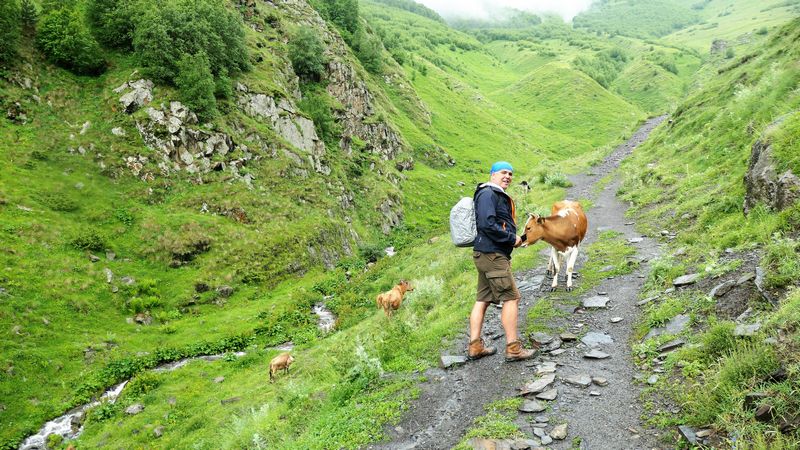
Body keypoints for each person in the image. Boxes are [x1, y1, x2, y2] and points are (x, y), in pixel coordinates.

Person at [467, 161, 537, 362]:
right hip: (493, 255)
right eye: (503, 173)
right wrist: (510, 238)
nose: (508, 176)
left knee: (483, 299)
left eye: (511, 174)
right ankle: (513, 348)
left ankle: (475, 346)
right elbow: (487, 223)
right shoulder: (489, 193)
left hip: (485, 254)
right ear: (492, 175)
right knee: (511, 298)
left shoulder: (490, 193)